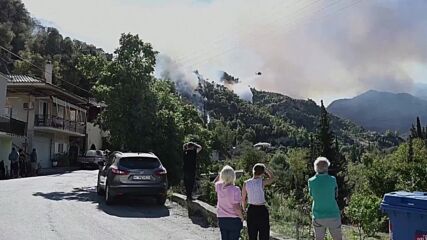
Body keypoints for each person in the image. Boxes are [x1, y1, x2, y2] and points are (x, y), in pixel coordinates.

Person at [308, 157, 342, 240]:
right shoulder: (333, 180)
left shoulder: (311, 181)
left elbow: (311, 194)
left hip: (318, 215)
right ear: (327, 167)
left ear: (315, 168)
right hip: (333, 214)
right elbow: (335, 194)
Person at [242, 163, 275, 240]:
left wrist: (244, 209)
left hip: (251, 210)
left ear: (253, 171)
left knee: (252, 234)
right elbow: (273, 178)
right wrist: (266, 169)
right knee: (264, 234)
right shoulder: (262, 182)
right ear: (262, 173)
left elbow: (243, 198)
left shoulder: (246, 183)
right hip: (262, 210)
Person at [213, 165, 244, 240]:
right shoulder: (235, 190)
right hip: (233, 219)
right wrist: (241, 217)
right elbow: (236, 207)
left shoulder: (218, 186)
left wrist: (221, 174)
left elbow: (215, 182)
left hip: (222, 218)